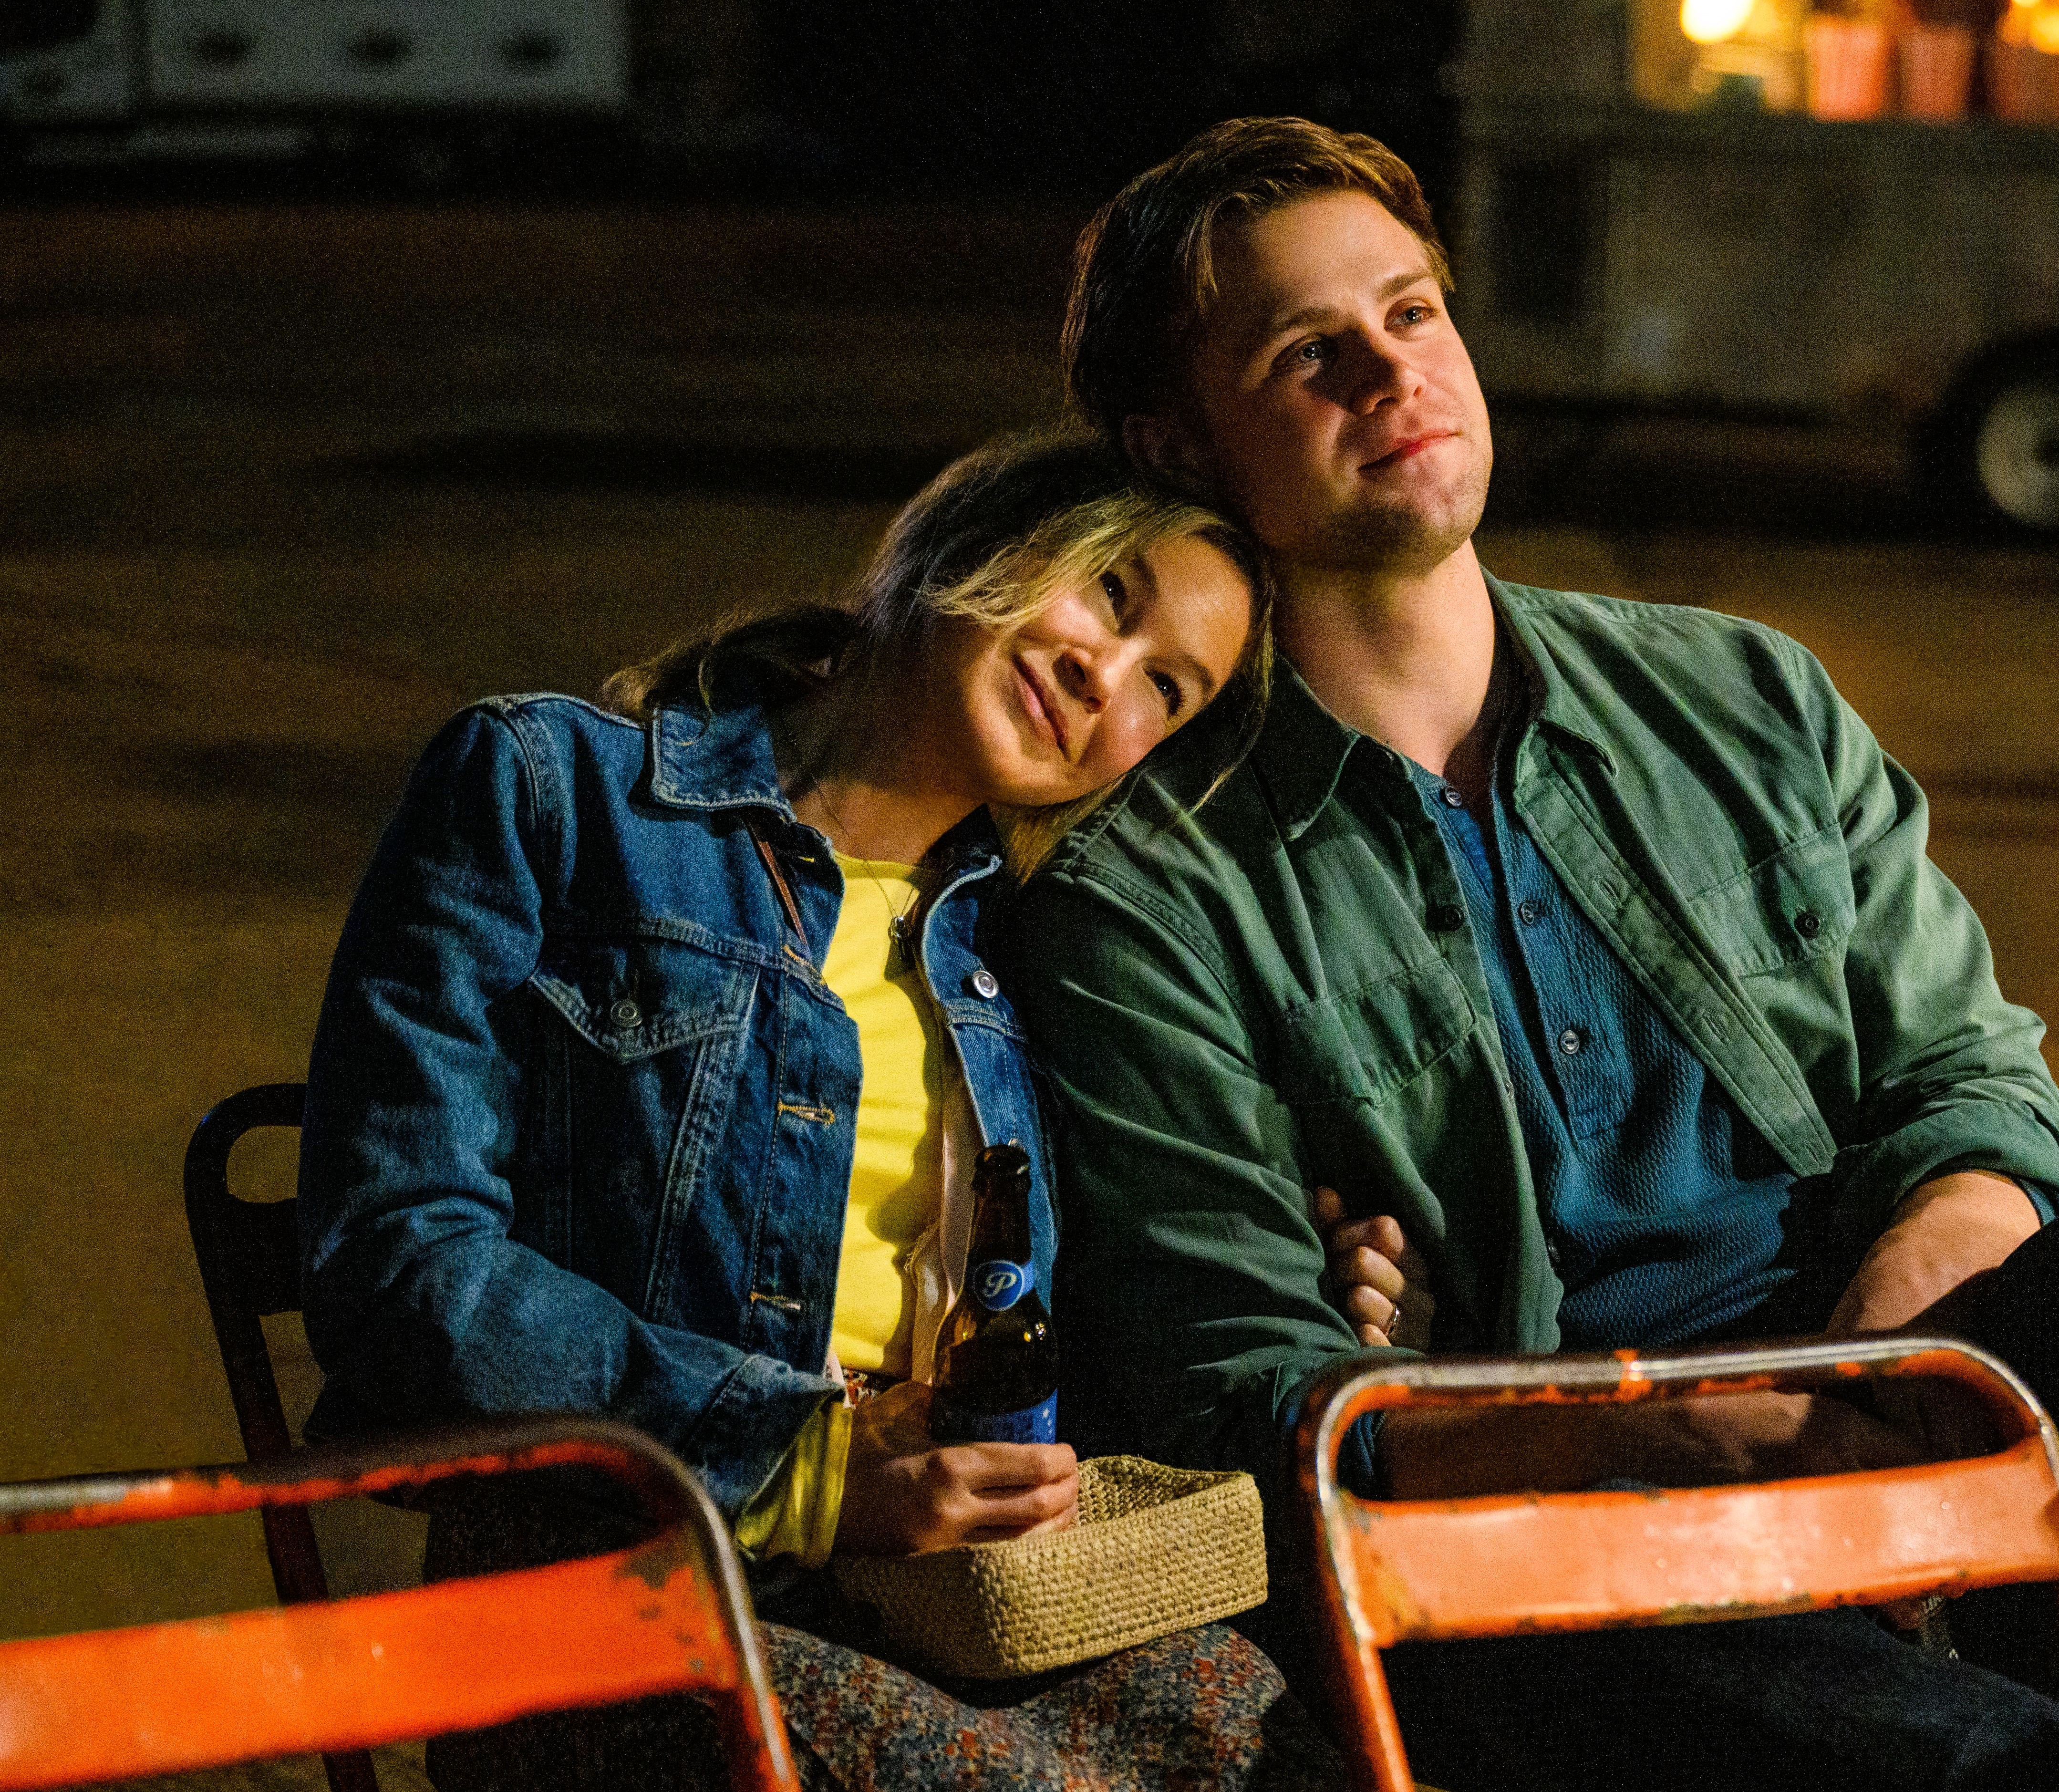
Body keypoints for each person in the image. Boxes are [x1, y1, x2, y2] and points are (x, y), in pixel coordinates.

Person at [1001, 119, 2059, 1792]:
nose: (1393, 375)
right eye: (1310, 352)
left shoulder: (1746, 699)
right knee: (2001, 1762)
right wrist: (1642, 1428)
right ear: (1179, 448)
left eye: (1411, 308)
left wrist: (1894, 1334)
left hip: (1908, 1402)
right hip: (1555, 1555)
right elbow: (1237, 1389)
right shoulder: (1151, 895)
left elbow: (1972, 1081)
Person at [297, 433, 1349, 1791]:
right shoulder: (552, 791)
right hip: (602, 1577)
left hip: (929, 1593)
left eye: (1167, 687)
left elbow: (1084, 1321)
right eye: (1110, 592)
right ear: (976, 537)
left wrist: (1304, 1261)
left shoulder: (1029, 955)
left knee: (1274, 1741)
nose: (1104, 673)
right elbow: (395, 1255)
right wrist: (803, 1460)